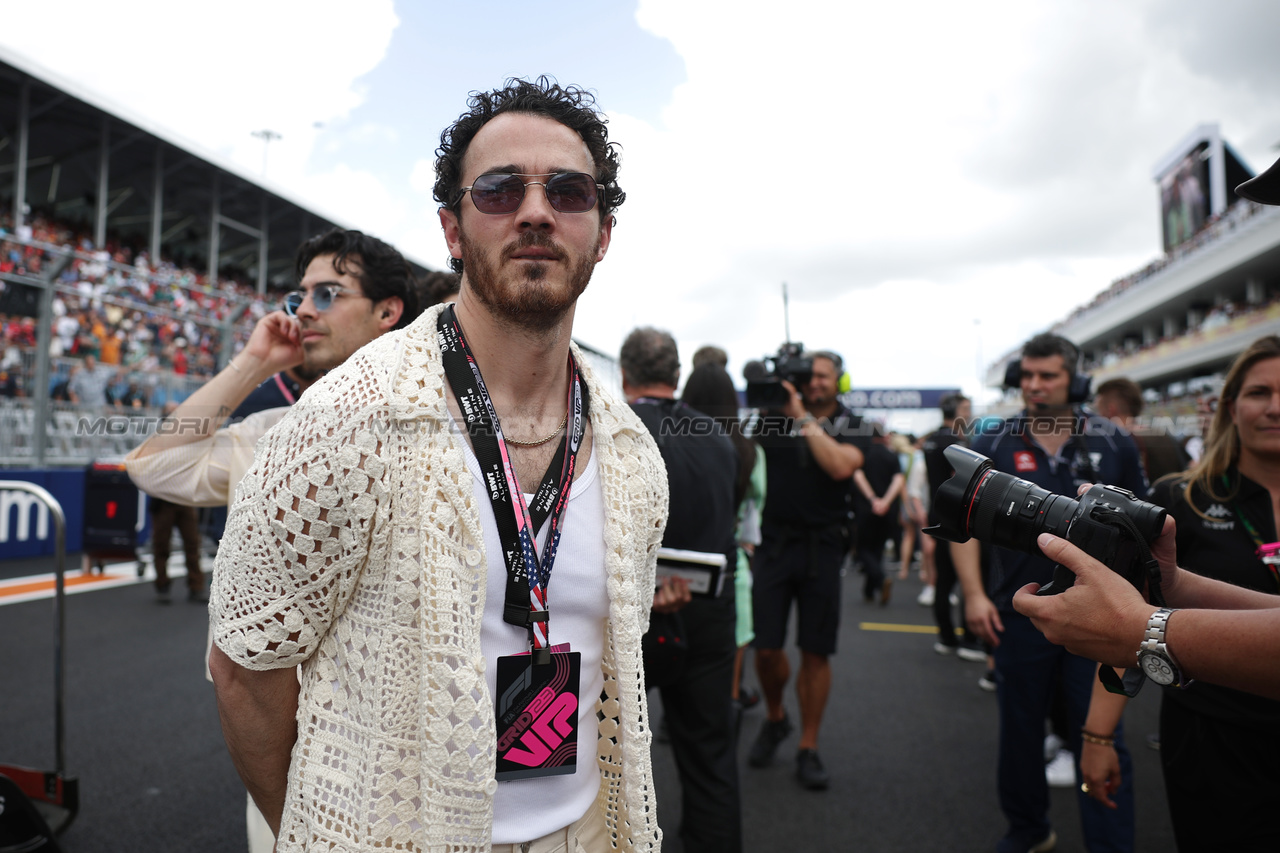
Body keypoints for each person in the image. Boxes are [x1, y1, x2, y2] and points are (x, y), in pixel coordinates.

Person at [207, 78, 668, 853]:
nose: (534, 210)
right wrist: (319, 833)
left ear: (603, 231)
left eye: (568, 189)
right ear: (453, 231)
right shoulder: (344, 418)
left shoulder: (633, 455)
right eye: (497, 190)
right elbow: (245, 671)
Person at [125, 227, 420, 853]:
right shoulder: (273, 431)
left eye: (329, 293)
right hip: (279, 747)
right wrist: (255, 361)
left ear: (387, 312)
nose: (304, 310)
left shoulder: (436, 431)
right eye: (300, 295)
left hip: (403, 756)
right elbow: (152, 466)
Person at [1012, 154, 1280, 706]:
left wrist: (1145, 630)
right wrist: (1171, 588)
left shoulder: (1112, 440)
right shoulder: (1185, 495)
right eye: (1259, 393)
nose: (1273, 408)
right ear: (1229, 408)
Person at [956, 333, 1146, 853]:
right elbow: (962, 526)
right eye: (1028, 376)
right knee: (1019, 733)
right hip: (1020, 613)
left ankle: (1110, 843)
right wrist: (972, 594)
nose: (1034, 386)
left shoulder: (1113, 441)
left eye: (1048, 376)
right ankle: (1028, 831)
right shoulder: (991, 442)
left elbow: (1146, 533)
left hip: (1102, 618)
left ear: (1075, 380)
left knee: (1102, 735)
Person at [622, 329, 741, 853]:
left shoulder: (615, 429)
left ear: (625, 376)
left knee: (604, 753)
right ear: (675, 376)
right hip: (710, 609)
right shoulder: (718, 435)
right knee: (711, 758)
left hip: (630, 615)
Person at [747, 350, 866, 790]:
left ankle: (808, 746)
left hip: (824, 548)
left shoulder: (853, 423)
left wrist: (801, 417)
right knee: (766, 649)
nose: (813, 384)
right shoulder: (770, 418)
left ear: (839, 381)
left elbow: (840, 466)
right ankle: (776, 718)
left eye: (822, 377)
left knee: (816, 652)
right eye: (806, 377)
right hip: (775, 546)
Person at [682, 362, 767, 711]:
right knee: (723, 680)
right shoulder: (748, 451)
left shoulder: (671, 444)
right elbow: (752, 516)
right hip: (729, 566)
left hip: (672, 565)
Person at [922, 393, 985, 661]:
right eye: (965, 408)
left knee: (944, 581)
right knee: (966, 578)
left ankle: (947, 638)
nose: (969, 413)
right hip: (958, 516)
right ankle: (970, 641)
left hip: (935, 513)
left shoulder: (931, 440)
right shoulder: (955, 443)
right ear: (953, 410)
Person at [1093, 377, 1188, 482]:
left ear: (1110, 410)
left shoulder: (1118, 443)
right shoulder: (1165, 435)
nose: (1097, 416)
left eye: (1098, 410)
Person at [852, 423, 903, 606]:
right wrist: (886, 502)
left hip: (866, 509)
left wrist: (873, 500)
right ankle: (869, 589)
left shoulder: (864, 454)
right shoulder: (891, 456)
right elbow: (898, 480)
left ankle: (879, 581)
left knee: (864, 549)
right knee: (878, 549)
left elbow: (858, 476)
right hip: (887, 511)